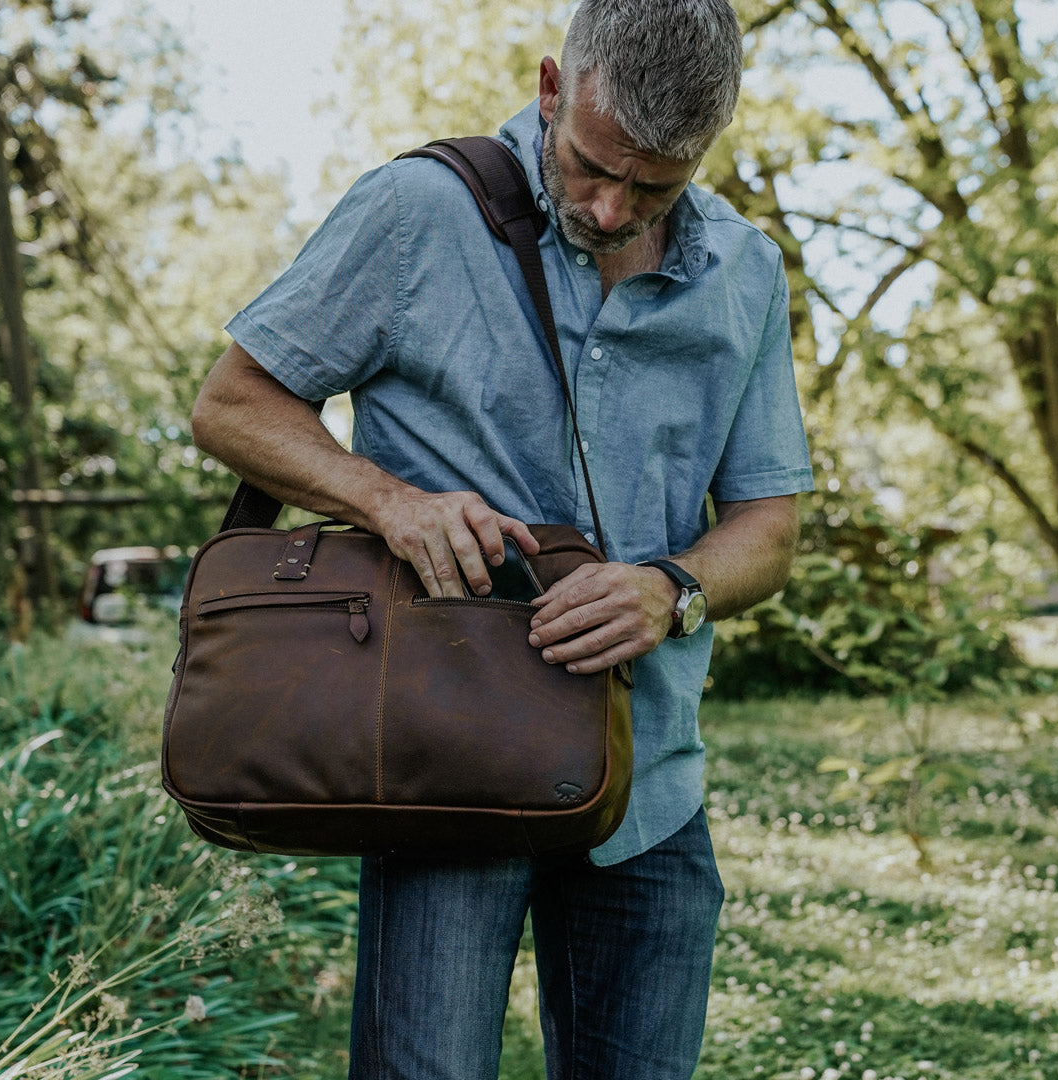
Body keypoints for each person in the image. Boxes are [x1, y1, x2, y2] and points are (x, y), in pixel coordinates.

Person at [192, 0, 814, 1075]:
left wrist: (672, 588)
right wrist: (387, 500)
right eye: (590, 164)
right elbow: (232, 405)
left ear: (708, 149)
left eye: (654, 185)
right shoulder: (415, 211)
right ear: (549, 88)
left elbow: (767, 526)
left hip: (650, 787)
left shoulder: (746, 276)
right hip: (443, 770)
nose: (611, 207)